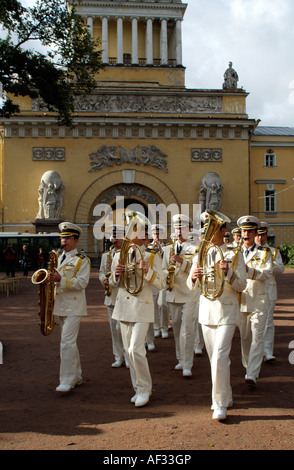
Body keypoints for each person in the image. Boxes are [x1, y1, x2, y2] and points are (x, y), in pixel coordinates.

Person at [187, 211, 246, 421]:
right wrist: (193, 278)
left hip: (227, 311)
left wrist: (228, 272)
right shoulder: (199, 254)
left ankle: (219, 404)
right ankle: (226, 394)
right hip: (207, 311)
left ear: (223, 230)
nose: (207, 233)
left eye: (211, 229)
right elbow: (191, 287)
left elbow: (242, 285)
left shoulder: (233, 253)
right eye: (205, 229)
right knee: (216, 360)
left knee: (220, 357)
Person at [110, 212, 165, 407]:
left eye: (137, 229)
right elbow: (112, 282)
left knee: (135, 349)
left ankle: (144, 388)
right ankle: (137, 387)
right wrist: (116, 275)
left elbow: (161, 283)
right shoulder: (119, 255)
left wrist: (147, 271)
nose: (132, 233)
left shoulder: (152, 255)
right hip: (124, 306)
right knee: (128, 350)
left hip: (142, 307)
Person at [48, 222, 91, 394]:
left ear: (75, 240)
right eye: (62, 238)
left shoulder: (82, 260)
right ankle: (77, 376)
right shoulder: (58, 258)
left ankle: (66, 380)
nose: (63, 241)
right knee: (69, 343)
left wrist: (60, 280)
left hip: (74, 305)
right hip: (60, 304)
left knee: (66, 342)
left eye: (67, 238)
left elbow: (82, 283)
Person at [237, 215, 273, 386]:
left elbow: (267, 273)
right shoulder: (234, 252)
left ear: (255, 233)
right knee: (244, 337)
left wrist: (249, 271)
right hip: (242, 300)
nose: (247, 234)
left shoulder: (264, 253)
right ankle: (247, 366)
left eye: (250, 231)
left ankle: (252, 373)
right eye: (245, 231)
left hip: (259, 301)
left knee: (257, 337)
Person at [162, 214, 199, 377]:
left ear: (189, 230)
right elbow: (162, 269)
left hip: (189, 293)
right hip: (173, 292)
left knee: (187, 328)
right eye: (177, 228)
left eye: (182, 228)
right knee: (176, 327)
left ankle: (187, 363)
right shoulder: (167, 249)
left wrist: (182, 262)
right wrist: (167, 273)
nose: (179, 231)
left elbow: (195, 268)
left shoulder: (195, 249)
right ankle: (180, 358)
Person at [99, 225, 128, 368]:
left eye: (117, 236)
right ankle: (118, 356)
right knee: (113, 329)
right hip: (110, 295)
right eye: (113, 236)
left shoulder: (128, 255)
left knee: (122, 328)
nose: (114, 239)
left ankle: (128, 356)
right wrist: (103, 279)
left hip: (123, 296)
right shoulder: (106, 255)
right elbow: (101, 273)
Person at [255, 221, 284, 362]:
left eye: (263, 235)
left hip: (269, 290)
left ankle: (267, 351)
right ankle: (256, 351)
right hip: (254, 292)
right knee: (254, 323)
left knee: (268, 322)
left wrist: (270, 263)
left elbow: (281, 269)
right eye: (258, 235)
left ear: (267, 235)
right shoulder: (250, 251)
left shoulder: (273, 252)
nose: (261, 238)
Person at [149, 224, 170, 340]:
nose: (156, 236)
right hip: (152, 278)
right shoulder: (148, 247)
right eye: (154, 233)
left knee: (163, 303)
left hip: (163, 278)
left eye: (159, 233)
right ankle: (156, 327)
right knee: (153, 304)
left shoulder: (166, 248)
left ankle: (164, 327)